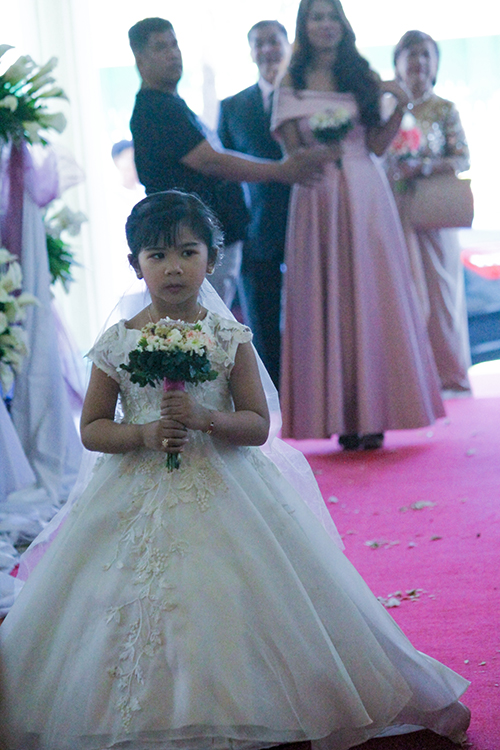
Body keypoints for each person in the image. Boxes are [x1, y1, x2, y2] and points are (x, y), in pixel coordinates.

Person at [0, 189, 471, 748]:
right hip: (133, 484)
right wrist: (145, 433)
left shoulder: (229, 337)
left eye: (187, 252)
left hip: (227, 481)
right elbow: (94, 428)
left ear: (211, 258)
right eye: (156, 255)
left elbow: (257, 424)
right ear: (135, 264)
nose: (173, 267)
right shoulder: (117, 342)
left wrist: (204, 417)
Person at [271, 0, 445, 449]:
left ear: (342, 24)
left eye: (332, 16)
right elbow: (290, 154)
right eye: (316, 17)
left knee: (372, 296)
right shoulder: (290, 80)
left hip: (366, 192)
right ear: (303, 26)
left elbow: (377, 145)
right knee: (322, 298)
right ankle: (339, 415)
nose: (325, 25)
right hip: (315, 195)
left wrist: (397, 107)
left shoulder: (361, 75)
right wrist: (318, 152)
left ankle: (377, 412)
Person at [129, 17, 324, 309]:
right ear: (140, 59)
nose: (173, 54)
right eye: (161, 48)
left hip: (209, 239)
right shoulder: (156, 109)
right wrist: (281, 170)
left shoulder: (172, 104)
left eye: (175, 44)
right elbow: (212, 162)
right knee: (207, 332)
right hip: (186, 242)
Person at [385, 30, 472, 393]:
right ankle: (409, 382)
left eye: (425, 55)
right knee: (399, 293)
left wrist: (420, 166)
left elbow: (463, 157)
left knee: (440, 295)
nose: (418, 62)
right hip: (393, 209)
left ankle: (449, 376)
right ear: (397, 63)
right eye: (411, 54)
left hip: (434, 212)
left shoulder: (444, 109)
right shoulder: (385, 112)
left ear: (434, 64)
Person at [218, 21, 291, 388]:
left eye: (274, 42)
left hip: (307, 218)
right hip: (256, 226)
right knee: (260, 317)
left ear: (288, 45)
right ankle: (274, 390)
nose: (267, 50)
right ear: (250, 52)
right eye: (259, 44)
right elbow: (225, 173)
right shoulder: (232, 107)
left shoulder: (305, 96)